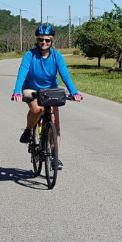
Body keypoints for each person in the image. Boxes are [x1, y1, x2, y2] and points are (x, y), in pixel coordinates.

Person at [11, 24, 83, 169]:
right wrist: (17, 91)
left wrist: (74, 92)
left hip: (50, 90)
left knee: (55, 124)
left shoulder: (56, 56)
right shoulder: (30, 55)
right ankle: (28, 130)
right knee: (37, 110)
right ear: (37, 40)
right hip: (31, 88)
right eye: (41, 40)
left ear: (51, 41)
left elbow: (65, 74)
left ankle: (55, 157)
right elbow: (22, 72)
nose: (44, 43)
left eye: (47, 40)